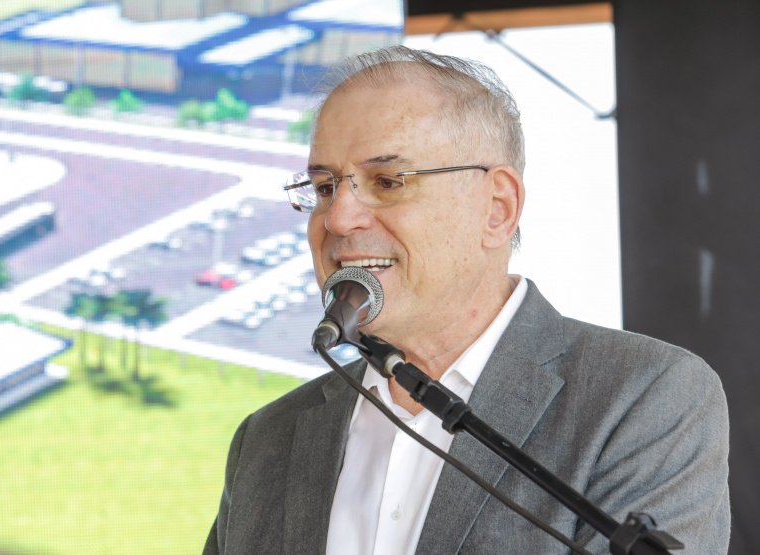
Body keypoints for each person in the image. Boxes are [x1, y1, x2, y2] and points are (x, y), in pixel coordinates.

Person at [204, 46, 730, 554]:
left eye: (387, 181)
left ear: (497, 209)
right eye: (323, 189)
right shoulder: (267, 438)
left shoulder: (643, 397)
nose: (339, 220)